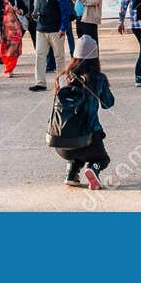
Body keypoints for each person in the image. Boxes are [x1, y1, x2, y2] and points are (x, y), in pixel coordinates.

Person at [52, 35, 116, 190]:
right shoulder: (98, 79)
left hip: (60, 141)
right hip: (88, 139)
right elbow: (108, 103)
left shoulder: (62, 77)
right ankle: (93, 168)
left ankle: (71, 173)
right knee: (103, 159)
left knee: (76, 153)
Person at [30, 0, 69, 91]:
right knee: (40, 55)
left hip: (56, 29)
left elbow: (65, 10)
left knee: (59, 57)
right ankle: (40, 82)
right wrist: (35, 14)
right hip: (41, 28)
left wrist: (63, 27)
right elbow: (36, 6)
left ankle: (62, 84)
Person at [0, 0, 27, 78]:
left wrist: (19, 10)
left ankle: (10, 69)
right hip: (3, 29)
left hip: (15, 29)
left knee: (14, 50)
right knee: (3, 50)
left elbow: (25, 9)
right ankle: (8, 66)